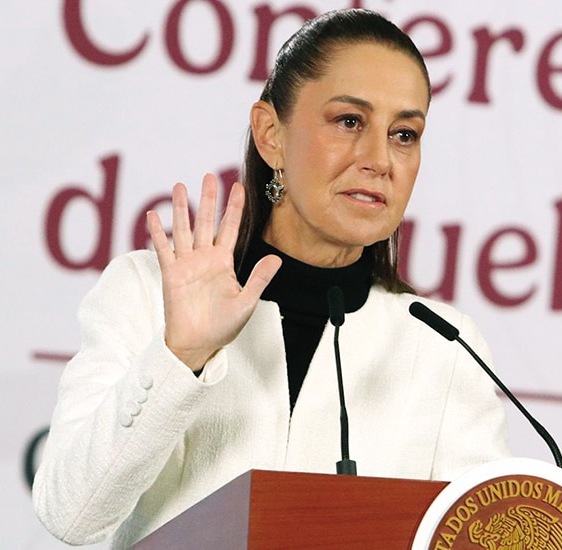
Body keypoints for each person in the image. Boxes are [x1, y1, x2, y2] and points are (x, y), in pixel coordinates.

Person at [32, 8, 510, 548]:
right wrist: (178, 357)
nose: (380, 159)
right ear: (270, 135)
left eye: (404, 134)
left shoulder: (444, 345)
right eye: (349, 121)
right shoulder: (147, 291)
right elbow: (71, 515)